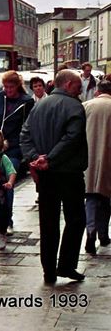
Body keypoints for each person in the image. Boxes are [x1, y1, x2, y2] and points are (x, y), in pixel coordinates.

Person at [20, 69, 88, 284]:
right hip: (68, 172)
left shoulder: (39, 106)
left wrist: (34, 158)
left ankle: (48, 270)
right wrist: (49, 158)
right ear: (67, 85)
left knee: (48, 222)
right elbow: (72, 138)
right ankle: (66, 265)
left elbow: (25, 135)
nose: (79, 90)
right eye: (78, 86)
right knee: (75, 219)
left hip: (45, 175)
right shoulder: (74, 106)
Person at [0, 70, 33, 228]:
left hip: (13, 148)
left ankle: (6, 219)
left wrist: (21, 145)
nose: (8, 90)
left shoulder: (26, 102)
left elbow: (28, 126)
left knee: (7, 182)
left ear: (17, 86)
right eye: (5, 87)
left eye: (11, 87)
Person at [83, 79, 111, 254]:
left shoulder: (85, 106)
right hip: (108, 158)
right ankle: (103, 234)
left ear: (97, 91)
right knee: (106, 198)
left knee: (91, 197)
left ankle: (90, 233)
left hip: (89, 159)